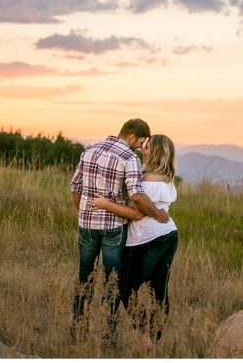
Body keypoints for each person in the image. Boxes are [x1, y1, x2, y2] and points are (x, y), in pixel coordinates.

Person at [69, 118, 169, 342]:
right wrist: (157, 213)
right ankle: (108, 338)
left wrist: (84, 213)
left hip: (86, 225)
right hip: (114, 228)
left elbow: (75, 187)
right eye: (140, 142)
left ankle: (77, 335)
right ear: (131, 136)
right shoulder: (129, 158)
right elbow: (137, 196)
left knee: (84, 278)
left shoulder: (90, 150)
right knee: (112, 281)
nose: (140, 148)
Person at [89, 134, 179, 340]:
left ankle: (143, 334)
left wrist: (105, 204)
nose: (142, 150)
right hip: (169, 235)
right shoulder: (166, 177)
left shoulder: (146, 180)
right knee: (159, 290)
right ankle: (154, 338)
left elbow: (137, 214)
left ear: (156, 152)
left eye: (147, 147)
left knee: (125, 287)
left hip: (146, 239)